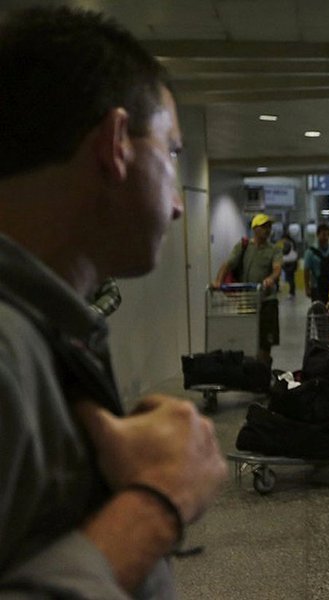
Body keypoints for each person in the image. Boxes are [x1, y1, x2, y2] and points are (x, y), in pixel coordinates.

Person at [0, 7, 227, 597]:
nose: (179, 205)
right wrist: (157, 502)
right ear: (116, 142)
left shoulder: (43, 328)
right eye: (173, 153)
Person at [214, 212, 282, 366]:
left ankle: (263, 370)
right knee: (247, 338)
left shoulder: (274, 250)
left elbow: (277, 269)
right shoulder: (243, 246)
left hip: (267, 301)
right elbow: (228, 264)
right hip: (247, 301)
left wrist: (271, 279)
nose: (268, 230)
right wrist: (218, 281)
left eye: (269, 226)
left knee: (266, 341)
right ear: (255, 228)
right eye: (264, 226)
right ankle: (250, 370)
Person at [303, 223, 329, 304]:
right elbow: (306, 271)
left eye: (328, 235)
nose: (326, 237)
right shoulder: (310, 252)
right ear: (318, 235)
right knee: (319, 312)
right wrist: (307, 288)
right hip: (317, 289)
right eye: (323, 235)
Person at [278, 233, 299, 297]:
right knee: (291, 277)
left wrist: (280, 251)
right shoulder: (292, 243)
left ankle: (291, 292)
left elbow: (285, 251)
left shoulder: (287, 243)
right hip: (293, 261)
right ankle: (292, 291)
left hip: (288, 262)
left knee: (289, 278)